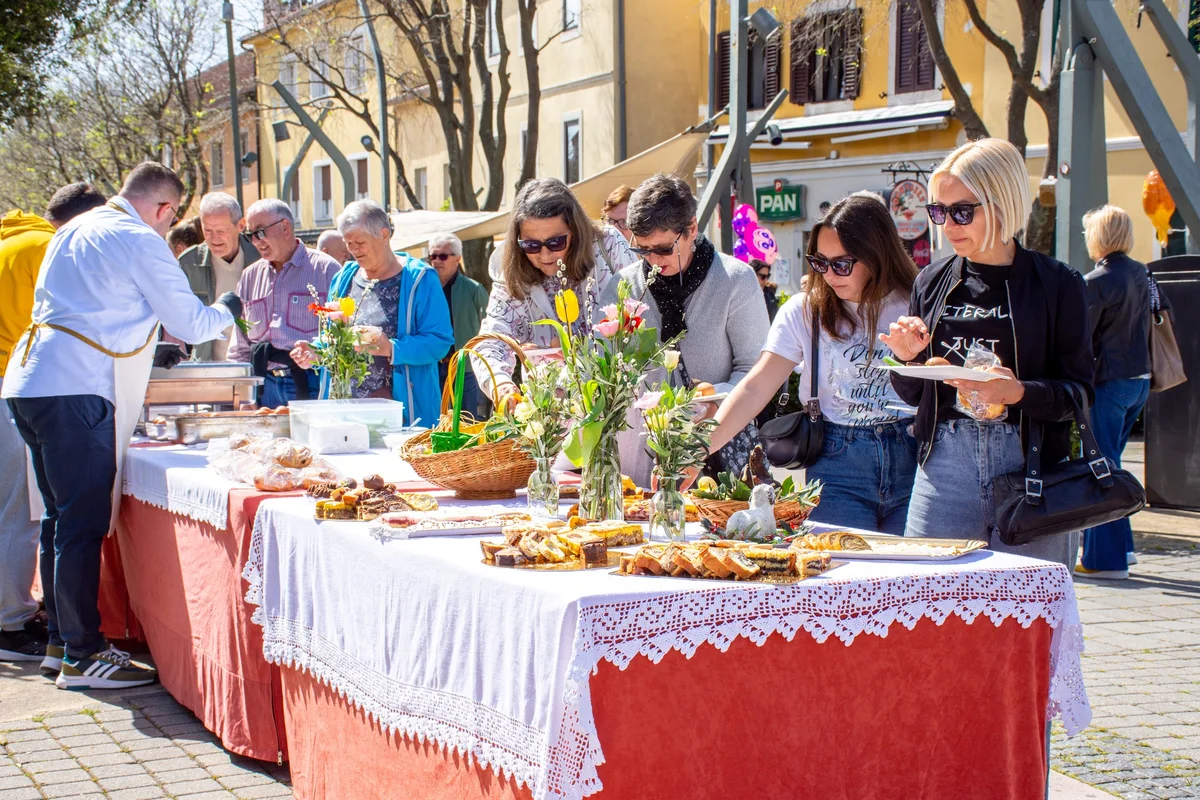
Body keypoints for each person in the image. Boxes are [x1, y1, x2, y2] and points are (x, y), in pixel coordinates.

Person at [3, 162, 241, 688]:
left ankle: (62, 642)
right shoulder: (138, 237)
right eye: (171, 218)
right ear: (164, 209)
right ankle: (83, 656)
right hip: (77, 387)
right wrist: (228, 307)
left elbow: (95, 309)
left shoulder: (72, 230)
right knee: (81, 524)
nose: (167, 226)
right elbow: (190, 322)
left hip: (31, 383)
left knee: (58, 519)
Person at [880, 138, 1094, 568]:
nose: (948, 225)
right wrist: (908, 360)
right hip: (945, 463)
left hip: (1031, 465)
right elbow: (913, 394)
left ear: (1002, 203)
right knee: (930, 600)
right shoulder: (931, 281)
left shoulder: (1058, 283)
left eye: (961, 211)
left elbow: (1080, 395)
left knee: (1028, 605)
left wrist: (1017, 392)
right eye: (939, 212)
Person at [687, 196, 919, 533]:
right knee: (841, 564)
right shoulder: (805, 310)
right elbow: (756, 387)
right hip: (839, 461)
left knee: (912, 565)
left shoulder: (916, 302)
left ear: (877, 255)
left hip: (913, 456)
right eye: (820, 262)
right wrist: (696, 451)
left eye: (842, 264)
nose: (829, 274)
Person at [604, 173, 769, 487]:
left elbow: (756, 371)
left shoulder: (736, 280)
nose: (653, 260)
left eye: (664, 249)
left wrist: (713, 404)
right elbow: (605, 366)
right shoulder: (623, 285)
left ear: (692, 228)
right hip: (636, 461)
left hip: (714, 455)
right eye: (642, 250)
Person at [0, 183, 107, 664]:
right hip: (22, 384)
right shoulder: (51, 247)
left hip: (13, 384)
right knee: (25, 512)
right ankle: (12, 623)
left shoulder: (13, 243)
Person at [475, 178, 635, 409]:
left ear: (575, 232)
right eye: (531, 245)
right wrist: (500, 384)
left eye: (556, 242)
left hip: (617, 406)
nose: (544, 255)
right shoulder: (510, 270)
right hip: (551, 413)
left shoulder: (609, 247)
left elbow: (636, 326)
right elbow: (492, 338)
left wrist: (575, 351)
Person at [292, 201, 453, 427]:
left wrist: (391, 349)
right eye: (348, 243)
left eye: (360, 242)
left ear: (384, 235)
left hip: (403, 415)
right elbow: (334, 338)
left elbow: (439, 341)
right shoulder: (344, 278)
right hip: (344, 416)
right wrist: (316, 351)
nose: (354, 250)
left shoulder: (419, 278)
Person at [1076, 205, 1152, 580]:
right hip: (1140, 381)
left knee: (1099, 468)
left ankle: (1105, 561)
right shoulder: (1141, 272)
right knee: (1113, 464)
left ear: (1098, 236)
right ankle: (1123, 547)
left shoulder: (1096, 280)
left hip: (1109, 384)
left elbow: (1081, 339)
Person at [228, 199, 339, 408]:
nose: (256, 241)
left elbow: (342, 337)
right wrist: (244, 394)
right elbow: (239, 346)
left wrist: (317, 353)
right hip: (263, 387)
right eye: (250, 235)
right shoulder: (250, 276)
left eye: (260, 232)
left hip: (312, 383)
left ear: (285, 227)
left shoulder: (326, 270)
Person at [177, 193, 260, 361]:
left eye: (221, 231)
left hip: (254, 365)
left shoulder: (260, 257)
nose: (215, 238)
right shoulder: (188, 263)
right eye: (208, 230)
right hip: (207, 365)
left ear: (240, 225)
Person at [428, 233, 489, 418]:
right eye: (433, 256)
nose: (437, 261)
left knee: (466, 421)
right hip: (432, 367)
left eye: (443, 256)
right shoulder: (425, 289)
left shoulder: (473, 289)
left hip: (465, 368)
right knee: (436, 421)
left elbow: (489, 328)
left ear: (457, 258)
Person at [751, 258, 780, 322]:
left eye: (767, 276)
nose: (766, 280)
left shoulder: (770, 296)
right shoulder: (742, 295)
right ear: (752, 274)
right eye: (763, 276)